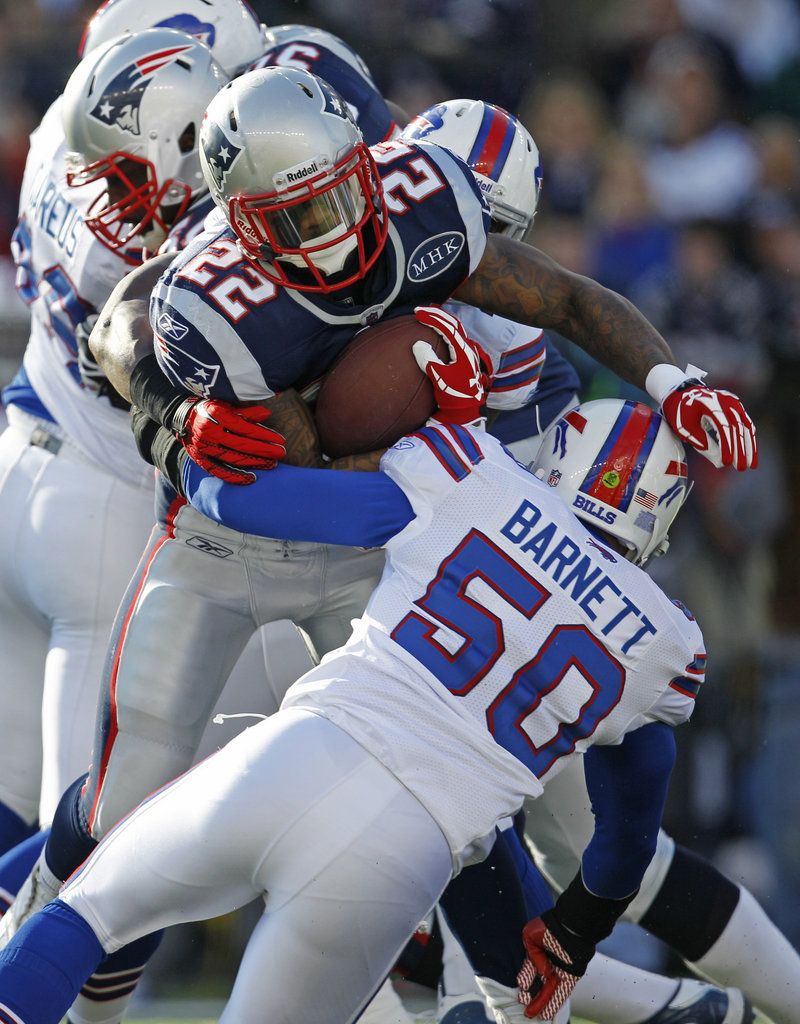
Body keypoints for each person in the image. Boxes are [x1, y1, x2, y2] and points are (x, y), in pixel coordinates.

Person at [0, 379, 703, 1024]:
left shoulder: (475, 477)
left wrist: (173, 446)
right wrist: (570, 935)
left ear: (560, 456)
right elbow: (625, 840)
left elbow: (254, 504)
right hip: (405, 858)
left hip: (296, 757)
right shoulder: (663, 647)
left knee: (83, 913)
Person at [402, 98, 800, 1024]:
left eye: (429, 197)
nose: (406, 217)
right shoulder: (523, 341)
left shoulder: (482, 342)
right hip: (500, 642)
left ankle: (691, 1011)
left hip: (468, 649)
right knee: (599, 868)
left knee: (450, 885)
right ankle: (720, 1009)